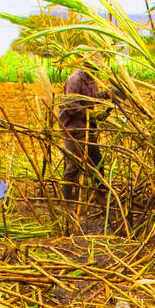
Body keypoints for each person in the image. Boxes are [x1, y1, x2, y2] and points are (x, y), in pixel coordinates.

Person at [59, 64, 115, 204]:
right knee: (74, 164)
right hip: (73, 128)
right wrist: (92, 113)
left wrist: (106, 94)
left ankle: (101, 194)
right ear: (89, 66)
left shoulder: (91, 79)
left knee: (96, 160)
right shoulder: (75, 79)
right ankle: (66, 201)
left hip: (87, 127)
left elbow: (90, 97)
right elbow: (70, 105)